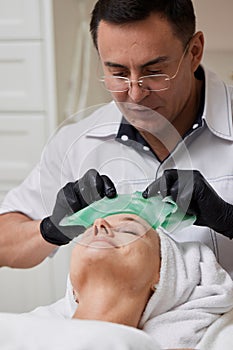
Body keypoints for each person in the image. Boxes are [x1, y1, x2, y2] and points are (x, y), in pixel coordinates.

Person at [0, 0, 233, 276]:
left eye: (154, 71)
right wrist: (51, 228)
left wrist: (229, 220)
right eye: (118, 73)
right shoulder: (76, 143)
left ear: (194, 52)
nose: (135, 95)